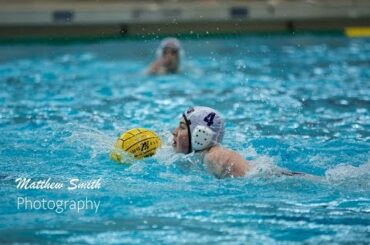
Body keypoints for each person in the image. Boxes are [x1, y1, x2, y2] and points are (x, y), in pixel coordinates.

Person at [172, 106, 252, 178]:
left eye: (182, 127)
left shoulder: (214, 157)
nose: (174, 132)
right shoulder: (195, 155)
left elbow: (247, 175)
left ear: (200, 134)